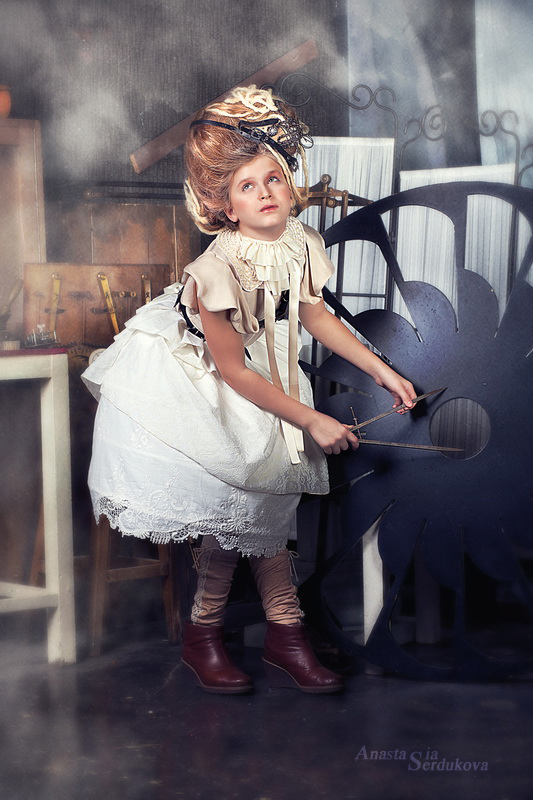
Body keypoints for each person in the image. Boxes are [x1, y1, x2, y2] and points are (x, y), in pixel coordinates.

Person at [82, 86, 416, 695]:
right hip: (209, 381)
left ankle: (261, 635)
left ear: (289, 183)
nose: (265, 193)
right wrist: (310, 420)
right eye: (247, 186)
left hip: (272, 374)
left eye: (273, 178)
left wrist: (381, 370)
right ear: (225, 206)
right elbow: (233, 371)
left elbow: (314, 316)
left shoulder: (302, 242)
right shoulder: (216, 269)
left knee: (263, 514)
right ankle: (233, 635)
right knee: (243, 509)